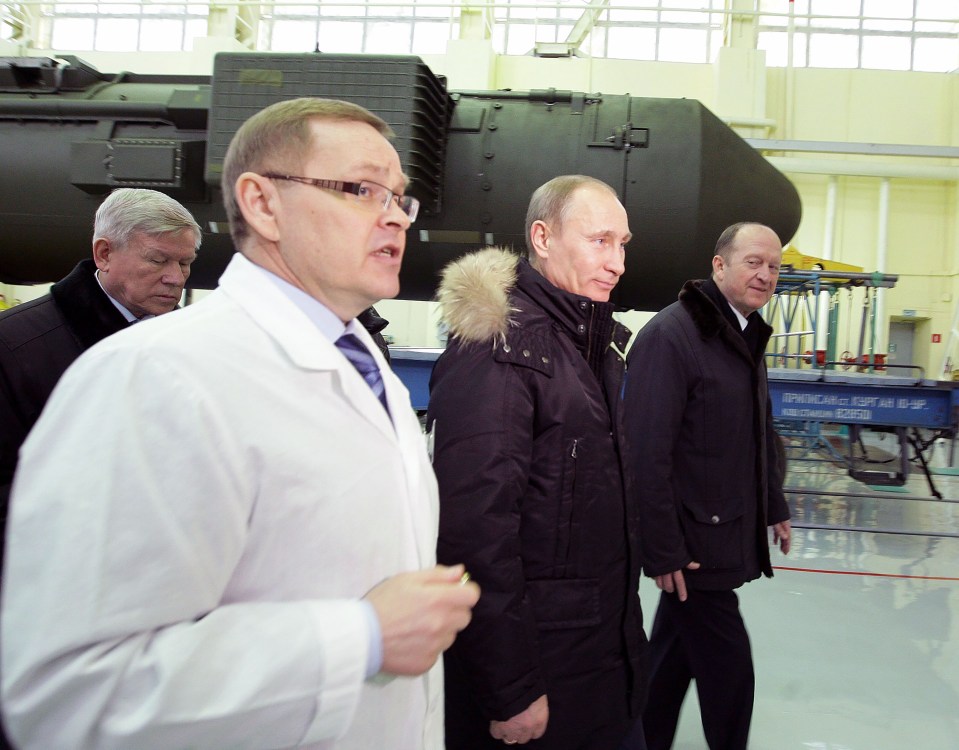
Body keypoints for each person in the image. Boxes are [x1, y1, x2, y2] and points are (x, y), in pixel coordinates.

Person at [0, 97, 479, 750]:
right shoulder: (155, 377)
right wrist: (358, 636)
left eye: (400, 197)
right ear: (261, 203)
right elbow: (73, 695)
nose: (395, 216)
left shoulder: (363, 368)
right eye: (362, 189)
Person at [427, 175, 647, 748]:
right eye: (600, 241)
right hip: (543, 671)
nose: (617, 262)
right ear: (543, 238)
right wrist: (511, 686)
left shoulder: (589, 346)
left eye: (623, 244)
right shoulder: (499, 351)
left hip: (598, 655)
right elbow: (474, 533)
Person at [622, 222, 792, 750]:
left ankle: (646, 740)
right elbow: (645, 453)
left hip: (721, 530)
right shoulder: (672, 337)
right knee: (730, 673)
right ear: (719, 266)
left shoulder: (742, 333)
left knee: (672, 660)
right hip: (695, 547)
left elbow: (756, 433)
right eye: (753, 263)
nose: (765, 275)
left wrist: (772, 502)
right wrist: (665, 548)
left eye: (774, 266)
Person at [0, 187, 201, 552]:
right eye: (158, 261)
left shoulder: (193, 344)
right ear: (104, 254)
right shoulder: (12, 347)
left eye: (184, 263)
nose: (176, 278)